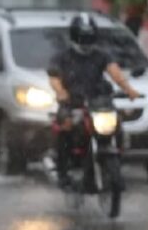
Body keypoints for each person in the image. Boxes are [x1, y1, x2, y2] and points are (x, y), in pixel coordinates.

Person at [47, 14, 140, 187]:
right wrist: (61, 92)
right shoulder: (63, 56)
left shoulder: (101, 55)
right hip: (72, 103)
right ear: (74, 36)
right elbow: (54, 77)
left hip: (98, 102)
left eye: (89, 36)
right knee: (66, 126)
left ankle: (116, 163)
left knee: (117, 125)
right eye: (82, 36)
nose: (85, 41)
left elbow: (115, 72)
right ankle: (63, 170)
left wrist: (129, 90)